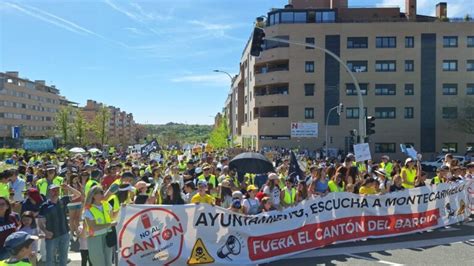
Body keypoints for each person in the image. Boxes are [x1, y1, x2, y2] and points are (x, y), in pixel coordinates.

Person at [37, 183, 81, 266]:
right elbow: (40, 222)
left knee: (63, 257)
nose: (56, 192)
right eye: (53, 190)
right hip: (51, 236)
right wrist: (45, 232)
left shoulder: (63, 200)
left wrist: (68, 187)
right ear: (49, 192)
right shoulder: (44, 206)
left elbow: (78, 194)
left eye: (57, 190)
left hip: (64, 234)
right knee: (50, 259)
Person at [83, 186, 116, 266]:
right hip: (95, 237)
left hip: (108, 235)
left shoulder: (106, 204)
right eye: (100, 192)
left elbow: (113, 216)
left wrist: (123, 208)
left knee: (108, 262)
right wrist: (109, 224)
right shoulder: (88, 209)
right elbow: (93, 226)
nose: (103, 194)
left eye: (102, 192)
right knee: (98, 262)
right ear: (93, 195)